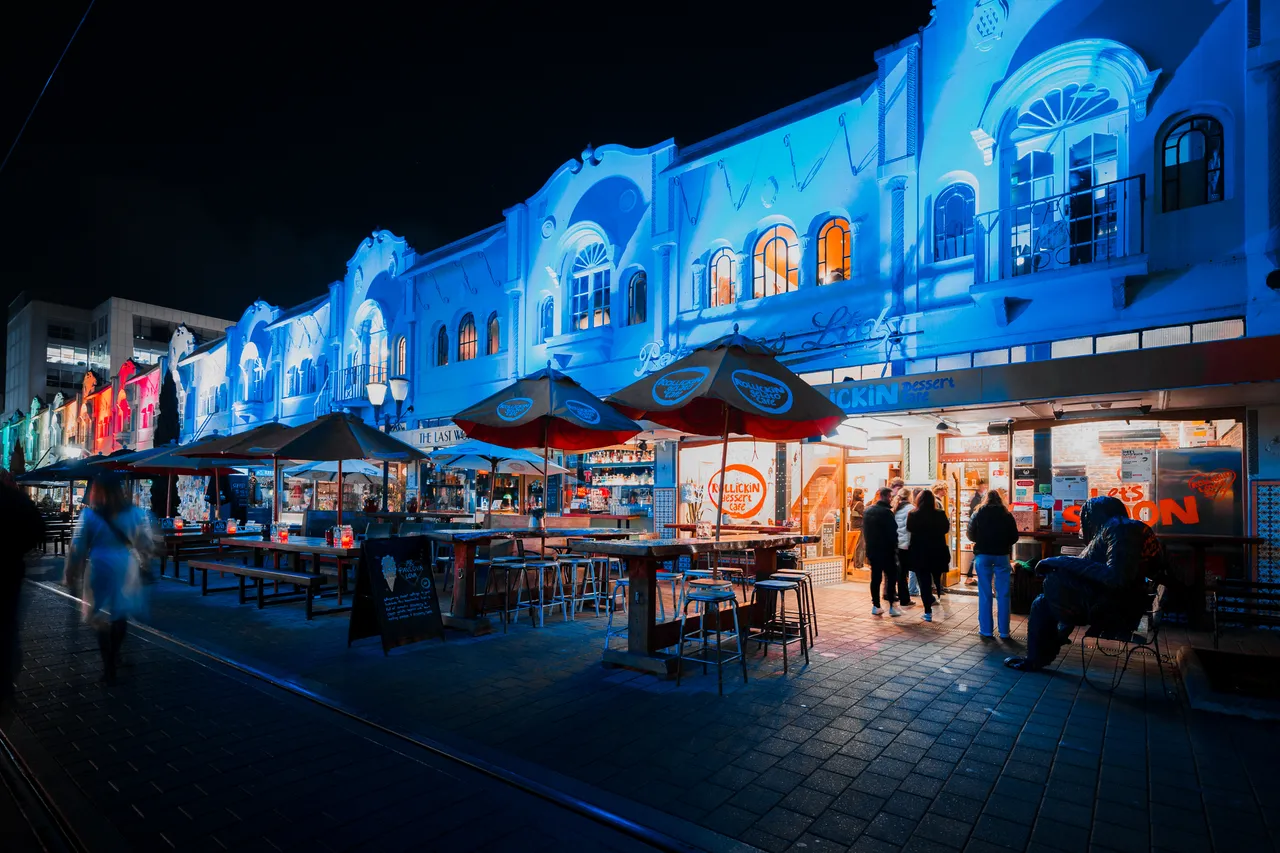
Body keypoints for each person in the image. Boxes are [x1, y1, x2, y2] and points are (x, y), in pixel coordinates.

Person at [1005, 496, 1165, 672]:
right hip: (1120, 604)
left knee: (1045, 598)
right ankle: (1043, 652)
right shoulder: (1127, 528)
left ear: (1092, 517)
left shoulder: (1119, 528)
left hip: (1116, 612)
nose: (1083, 527)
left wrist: (1062, 562)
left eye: (1084, 521)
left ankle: (1037, 658)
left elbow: (1116, 578)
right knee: (1046, 599)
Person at [64, 473, 154, 684]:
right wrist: (145, 561)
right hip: (125, 565)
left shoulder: (89, 515)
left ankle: (108, 666)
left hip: (99, 565)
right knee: (120, 613)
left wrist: (71, 570)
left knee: (101, 617)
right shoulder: (134, 513)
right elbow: (145, 542)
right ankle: (116, 654)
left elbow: (78, 546)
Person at [0, 470, 45, 710]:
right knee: (7, 628)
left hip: (10, 569)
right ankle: (5, 686)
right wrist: (17, 549)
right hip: (9, 571)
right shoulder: (16, 499)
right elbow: (38, 529)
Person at [967, 490, 1021, 639]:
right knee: (1003, 594)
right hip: (1002, 556)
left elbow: (970, 534)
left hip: (983, 555)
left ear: (985, 499)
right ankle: (1004, 631)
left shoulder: (978, 513)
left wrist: (981, 539)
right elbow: (1014, 537)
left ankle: (986, 630)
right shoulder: (1007, 515)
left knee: (985, 593)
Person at [907, 489, 951, 623]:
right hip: (937, 551)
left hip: (920, 552)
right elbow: (946, 529)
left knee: (924, 582)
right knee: (936, 576)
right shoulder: (940, 513)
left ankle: (928, 612)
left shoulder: (913, 514)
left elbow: (910, 529)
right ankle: (937, 594)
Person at [862, 487, 900, 617]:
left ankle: (876, 605)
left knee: (875, 578)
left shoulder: (868, 511)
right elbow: (893, 533)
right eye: (890, 497)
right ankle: (892, 607)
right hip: (887, 551)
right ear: (886, 497)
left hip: (873, 550)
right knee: (891, 578)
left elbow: (865, 532)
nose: (891, 499)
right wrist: (895, 547)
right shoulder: (887, 513)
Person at [892, 487, 915, 607]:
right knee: (904, 572)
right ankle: (905, 599)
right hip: (906, 545)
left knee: (899, 572)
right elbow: (911, 528)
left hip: (896, 544)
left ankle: (900, 596)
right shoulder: (911, 509)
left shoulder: (895, 508)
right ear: (909, 496)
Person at [965, 479, 987, 585]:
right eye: (983, 485)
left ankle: (970, 575)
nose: (985, 487)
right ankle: (970, 575)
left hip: (980, 539)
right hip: (995, 549)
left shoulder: (978, 500)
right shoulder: (976, 499)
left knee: (977, 556)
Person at [848, 488, 866, 570]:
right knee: (860, 546)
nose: (863, 494)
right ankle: (859, 565)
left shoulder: (853, 503)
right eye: (862, 493)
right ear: (859, 495)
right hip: (860, 526)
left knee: (856, 545)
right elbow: (864, 514)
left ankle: (856, 564)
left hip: (853, 525)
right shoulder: (860, 504)